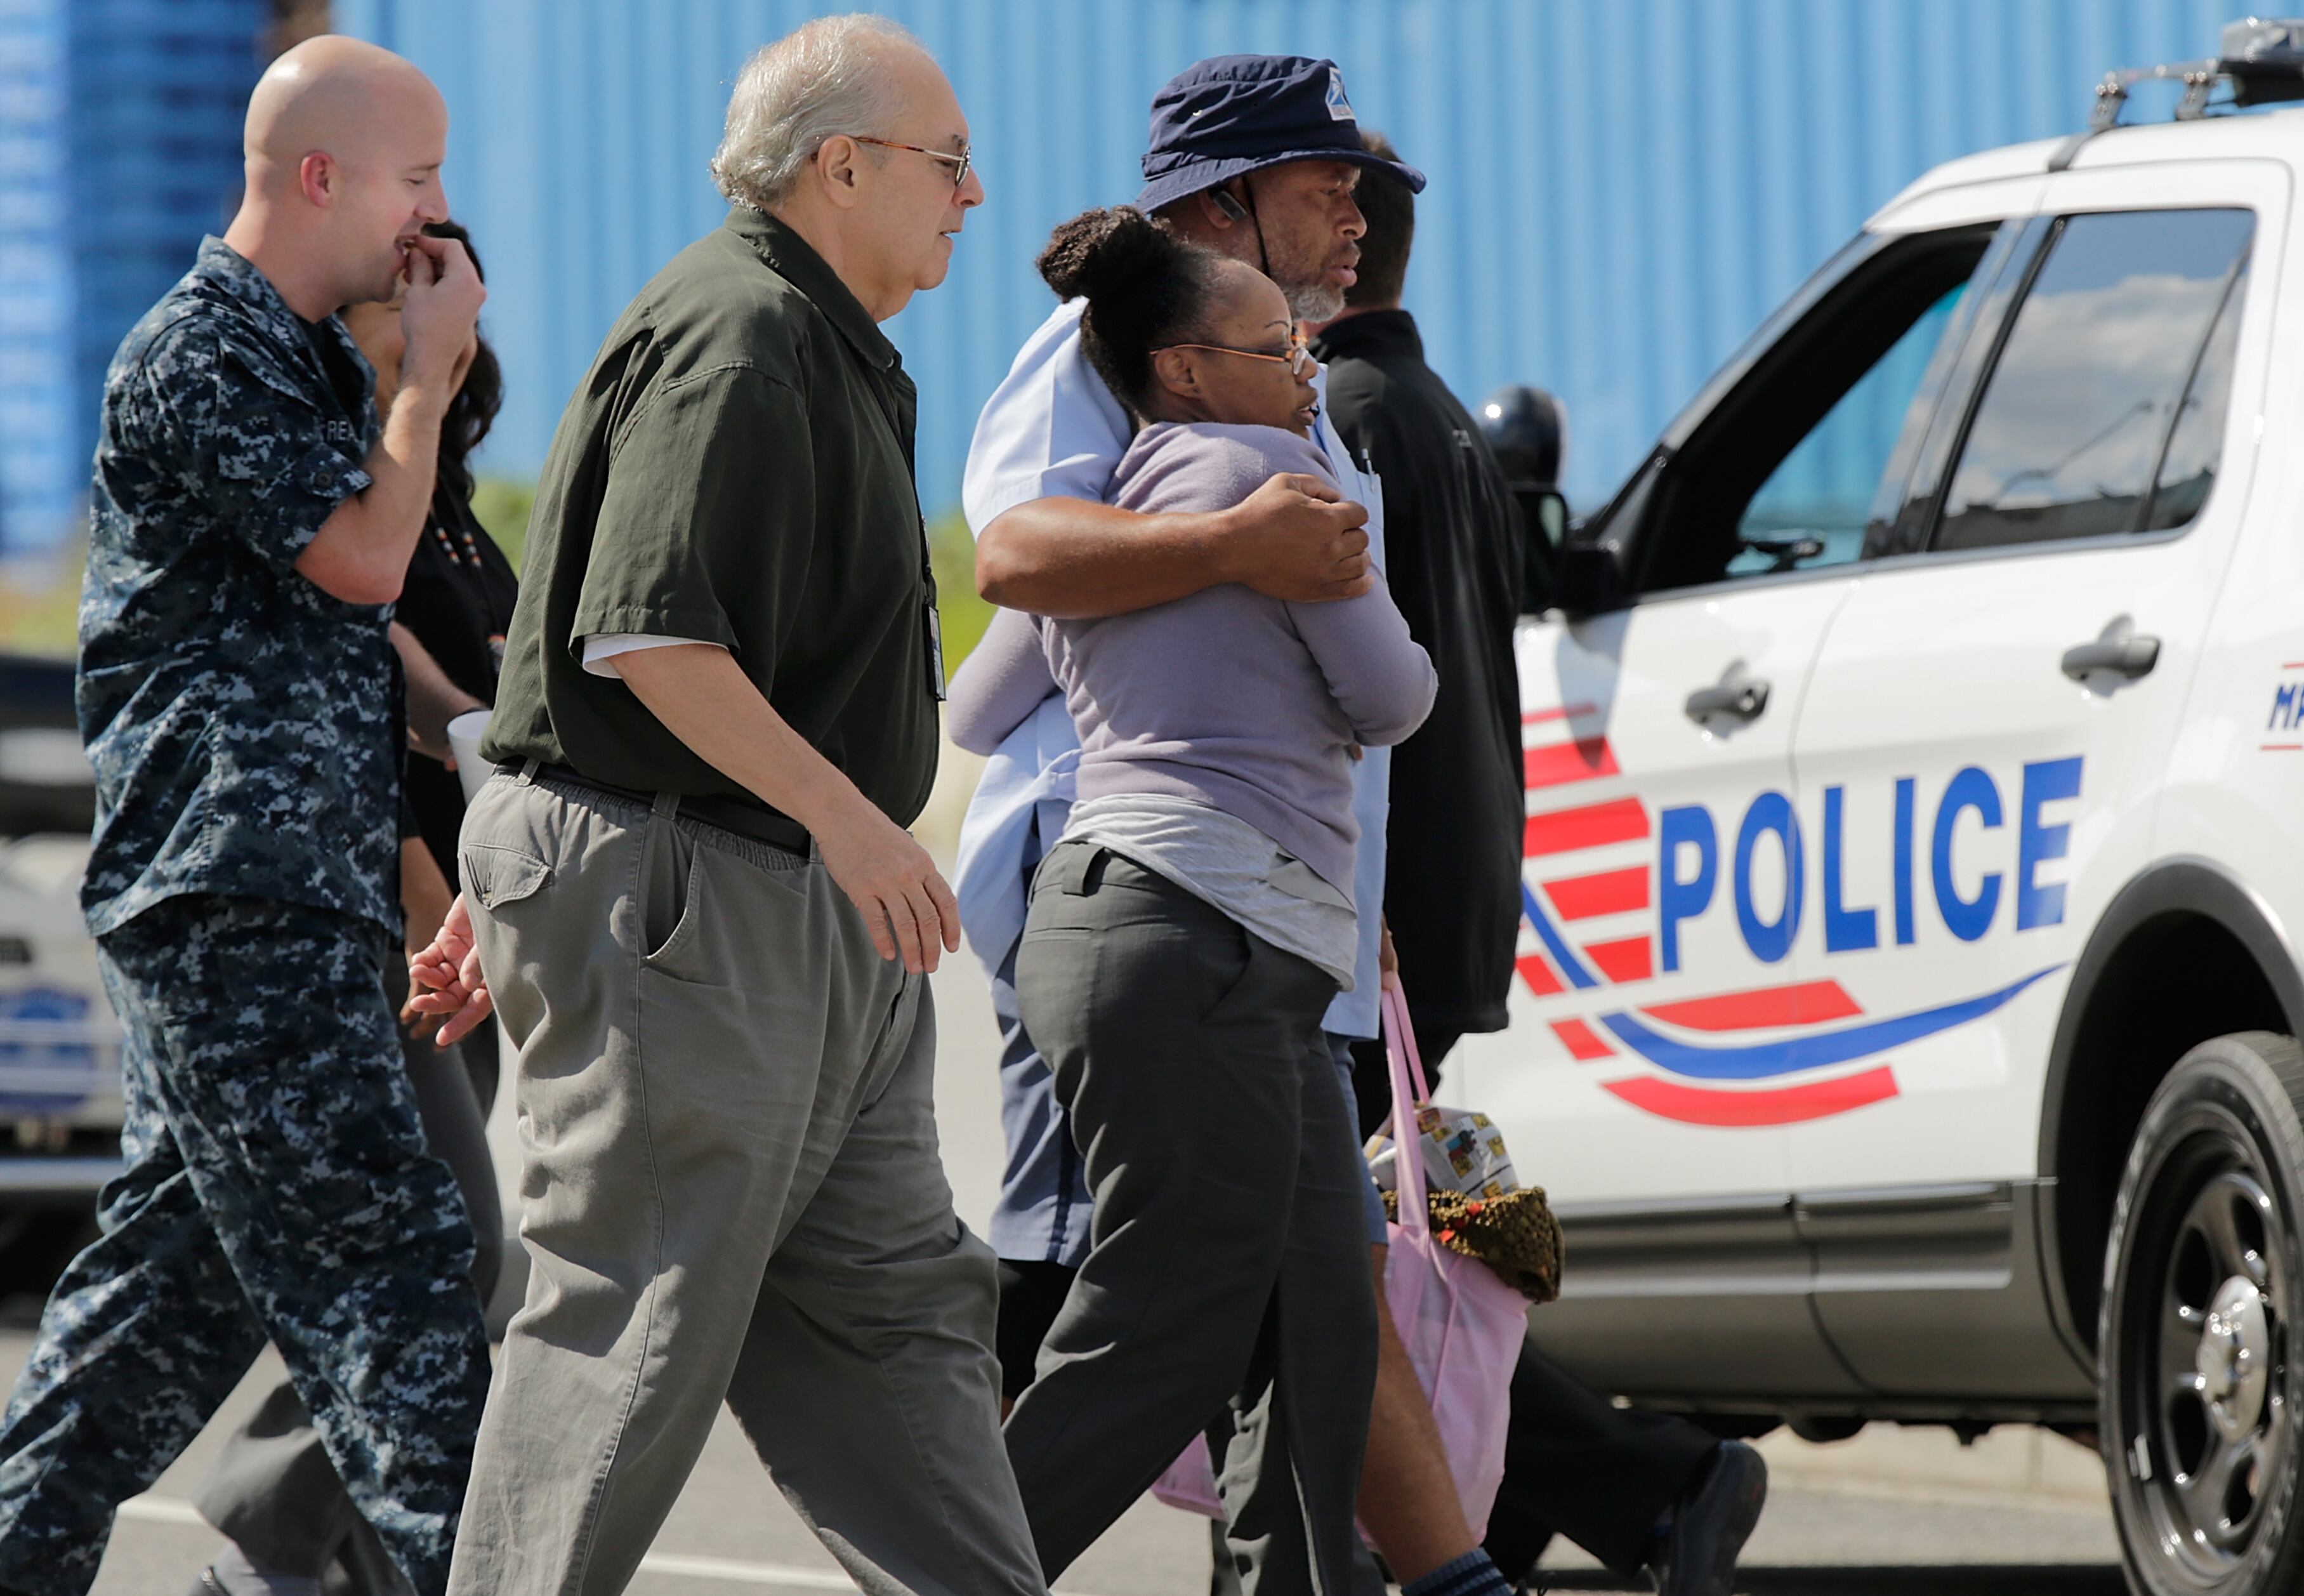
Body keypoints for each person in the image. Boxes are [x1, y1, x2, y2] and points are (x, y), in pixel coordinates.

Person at [405, 18, 1048, 1596]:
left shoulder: (807, 333)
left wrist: (557, 879)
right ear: (843, 165)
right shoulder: (746, 331)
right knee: (626, 1331)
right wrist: (838, 823)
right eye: (949, 161)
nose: (973, 196)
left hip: (781, 910)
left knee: (902, 1323)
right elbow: (647, 640)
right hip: (721, 899)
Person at [959, 53, 1515, 1596]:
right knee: (1158, 1310)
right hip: (1158, 899)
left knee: (1318, 1333)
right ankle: (947, 1561)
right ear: (1216, 202)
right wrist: (1232, 546)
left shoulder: (1298, 390)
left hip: (1288, 927)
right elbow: (1013, 560)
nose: (1355, 216)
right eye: (1320, 186)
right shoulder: (1096, 357)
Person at [0, 36, 492, 1596]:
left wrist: (476, 737)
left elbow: (355, 624)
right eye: (416, 180)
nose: (433, 219)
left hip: (290, 883)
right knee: (396, 1280)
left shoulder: (308, 353)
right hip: (236, 885)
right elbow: (358, 555)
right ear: (321, 176)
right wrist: (424, 386)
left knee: (161, 1311)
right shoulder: (201, 347)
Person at [1313, 132, 1768, 1596]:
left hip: (1366, 918)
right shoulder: (1432, 412)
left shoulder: (1345, 418)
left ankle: (1655, 1480)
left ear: (1325, 241)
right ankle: (1590, 1494)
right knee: (1346, 1262)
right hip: (1438, 907)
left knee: (1324, 1272)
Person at [183, 217, 514, 1596]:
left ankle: (318, 1562)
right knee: (450, 1251)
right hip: (378, 914)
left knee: (399, 1258)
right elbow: (337, 704)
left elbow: (458, 693)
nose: (443, 312)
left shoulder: (435, 483)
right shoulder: (326, 473)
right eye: (414, 290)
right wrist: (419, 873)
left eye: (455, 289)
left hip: (472, 918)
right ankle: (269, 1528)